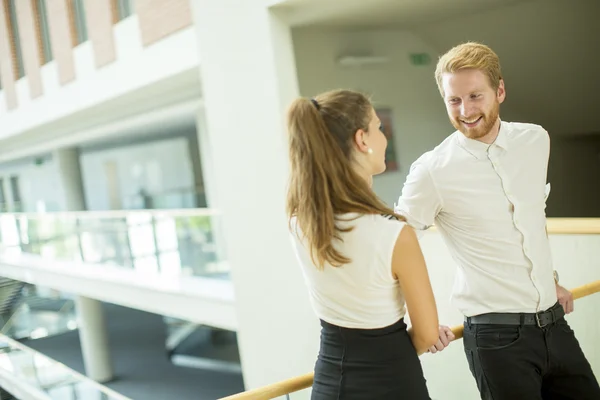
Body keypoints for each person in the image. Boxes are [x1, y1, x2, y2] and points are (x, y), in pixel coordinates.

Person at [395, 42, 600, 399]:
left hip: (555, 324)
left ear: (500, 90)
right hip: (496, 340)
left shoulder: (535, 140)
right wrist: (419, 321)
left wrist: (548, 282)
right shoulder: (431, 170)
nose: (465, 110)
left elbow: (531, 221)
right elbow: (394, 244)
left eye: (475, 96)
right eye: (454, 100)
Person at [286, 89, 439, 399]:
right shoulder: (394, 234)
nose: (384, 137)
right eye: (378, 127)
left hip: (329, 384)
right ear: (362, 139)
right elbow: (426, 335)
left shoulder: (299, 222)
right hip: (393, 383)